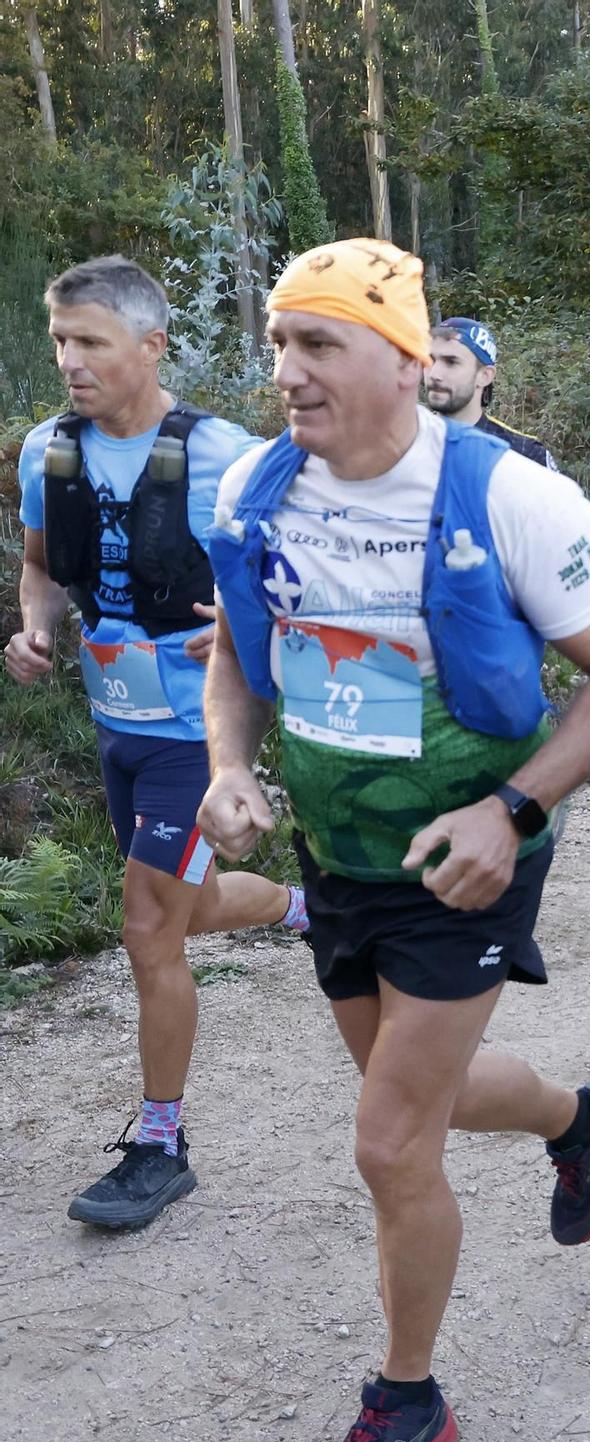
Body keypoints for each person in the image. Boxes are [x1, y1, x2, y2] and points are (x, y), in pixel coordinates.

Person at [198, 238, 590, 1442]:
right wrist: (231, 763)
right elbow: (238, 647)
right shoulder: (257, 485)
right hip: (338, 851)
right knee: (427, 1101)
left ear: (407, 363)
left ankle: (407, 1398)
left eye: (320, 343)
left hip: (469, 856)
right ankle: (584, 1114)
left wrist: (512, 810)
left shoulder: (512, 498)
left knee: (391, 1138)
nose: (287, 370)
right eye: (281, 342)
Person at [7, 254, 306, 1230]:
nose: (69, 360)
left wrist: (256, 628)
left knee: (147, 927)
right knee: (190, 906)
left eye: (89, 340)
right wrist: (37, 626)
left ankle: (162, 1140)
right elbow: (43, 567)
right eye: (59, 340)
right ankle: (311, 907)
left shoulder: (229, 456)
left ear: (151, 344)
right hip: (116, 723)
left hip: (198, 733)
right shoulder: (46, 451)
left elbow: (301, 583)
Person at [424, 317, 559, 470]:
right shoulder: (405, 442)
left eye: (451, 362)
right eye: (430, 360)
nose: (434, 374)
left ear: (485, 376)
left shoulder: (524, 454)